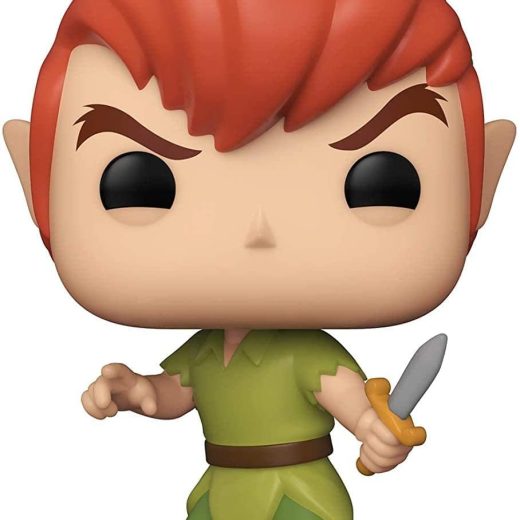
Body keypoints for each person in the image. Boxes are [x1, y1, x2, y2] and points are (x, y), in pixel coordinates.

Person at [3, 1, 515, 518]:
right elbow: (174, 394)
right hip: (219, 491)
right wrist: (135, 390)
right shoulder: (205, 354)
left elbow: (357, 409)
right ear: (34, 183)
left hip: (296, 494)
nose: (258, 230)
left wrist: (379, 434)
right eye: (141, 183)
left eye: (384, 182)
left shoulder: (306, 356)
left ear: (482, 185)